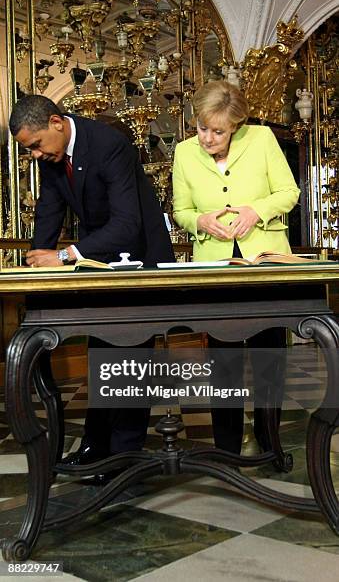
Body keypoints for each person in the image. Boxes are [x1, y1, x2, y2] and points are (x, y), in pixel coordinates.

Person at [9, 94, 175, 470]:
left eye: (35, 145)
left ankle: (124, 456)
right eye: (27, 150)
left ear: (56, 122)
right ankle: (96, 446)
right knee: (103, 354)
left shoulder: (109, 144)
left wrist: (65, 256)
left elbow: (127, 225)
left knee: (131, 359)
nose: (34, 155)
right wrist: (38, 264)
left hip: (141, 258)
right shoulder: (51, 157)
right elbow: (49, 214)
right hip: (101, 261)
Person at [172, 80, 300, 455]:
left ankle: (270, 441)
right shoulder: (183, 152)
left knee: (270, 356)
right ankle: (226, 448)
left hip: (266, 263)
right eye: (202, 128)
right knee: (223, 359)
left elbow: (288, 193)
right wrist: (200, 221)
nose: (208, 138)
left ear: (237, 126)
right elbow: (181, 210)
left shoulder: (261, 140)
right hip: (217, 266)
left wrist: (255, 210)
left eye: (219, 131)